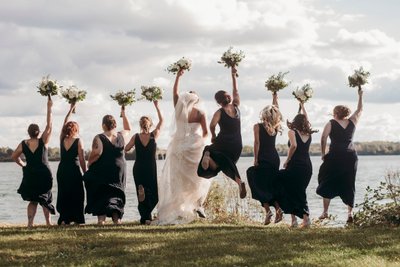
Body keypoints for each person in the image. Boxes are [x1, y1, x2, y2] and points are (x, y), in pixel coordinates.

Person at [156, 69, 211, 225]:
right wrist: (197, 140)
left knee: (177, 179)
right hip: (194, 147)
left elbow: (174, 93)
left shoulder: (179, 110)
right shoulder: (200, 113)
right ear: (197, 100)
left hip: (178, 147)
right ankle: (197, 204)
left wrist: (178, 76)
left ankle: (179, 209)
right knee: (197, 177)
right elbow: (206, 133)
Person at [197, 66, 246, 199]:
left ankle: (208, 155)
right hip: (237, 145)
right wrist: (233, 76)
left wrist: (213, 136)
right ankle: (239, 181)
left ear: (218, 102)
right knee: (224, 163)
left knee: (210, 154)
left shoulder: (219, 112)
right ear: (229, 98)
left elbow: (212, 125)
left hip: (223, 142)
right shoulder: (236, 107)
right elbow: (236, 90)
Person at [316, 88, 363, 223]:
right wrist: (360, 95)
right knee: (349, 182)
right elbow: (360, 109)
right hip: (350, 156)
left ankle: (325, 212)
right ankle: (350, 213)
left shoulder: (331, 123)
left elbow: (323, 138)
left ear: (336, 113)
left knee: (326, 180)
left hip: (335, 156)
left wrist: (323, 153)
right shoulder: (353, 121)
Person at [11, 97, 55, 227]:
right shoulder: (43, 141)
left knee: (33, 200)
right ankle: (48, 223)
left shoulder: (24, 143)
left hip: (30, 173)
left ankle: (30, 224)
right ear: (39, 132)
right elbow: (49, 125)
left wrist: (23, 165)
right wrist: (49, 107)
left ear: (28, 133)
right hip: (44, 173)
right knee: (45, 198)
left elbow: (14, 156)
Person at [83, 107, 131, 225]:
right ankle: (117, 219)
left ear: (104, 125)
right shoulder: (121, 135)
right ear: (114, 125)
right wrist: (124, 115)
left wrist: (89, 163)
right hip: (120, 169)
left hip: (104, 169)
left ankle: (101, 220)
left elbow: (97, 153)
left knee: (102, 192)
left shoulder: (99, 137)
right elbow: (128, 128)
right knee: (117, 192)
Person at [247, 92, 284, 225]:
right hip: (274, 158)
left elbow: (257, 143)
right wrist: (275, 99)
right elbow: (277, 111)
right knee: (270, 185)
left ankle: (268, 210)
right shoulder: (275, 127)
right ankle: (278, 209)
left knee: (253, 176)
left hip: (263, 157)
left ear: (264, 114)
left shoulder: (257, 126)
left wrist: (255, 159)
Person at [125, 100, 163, 225]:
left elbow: (126, 148)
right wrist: (157, 106)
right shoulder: (154, 135)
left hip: (138, 167)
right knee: (154, 193)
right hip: (150, 167)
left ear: (140, 125)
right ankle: (147, 217)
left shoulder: (135, 137)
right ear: (150, 125)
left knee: (141, 193)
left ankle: (145, 218)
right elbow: (162, 121)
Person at [279, 102, 316, 228]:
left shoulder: (292, 132)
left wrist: (287, 160)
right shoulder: (308, 133)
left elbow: (294, 146)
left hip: (295, 165)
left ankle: (299, 220)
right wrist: (303, 106)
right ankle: (302, 220)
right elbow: (307, 119)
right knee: (299, 191)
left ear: (295, 121)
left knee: (291, 190)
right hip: (307, 167)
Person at [56, 103, 87, 225]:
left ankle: (64, 219)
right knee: (77, 193)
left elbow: (65, 121)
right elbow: (82, 159)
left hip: (62, 170)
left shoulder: (62, 139)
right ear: (76, 130)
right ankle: (77, 219)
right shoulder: (79, 141)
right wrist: (85, 173)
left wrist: (70, 109)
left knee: (64, 193)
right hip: (74, 170)